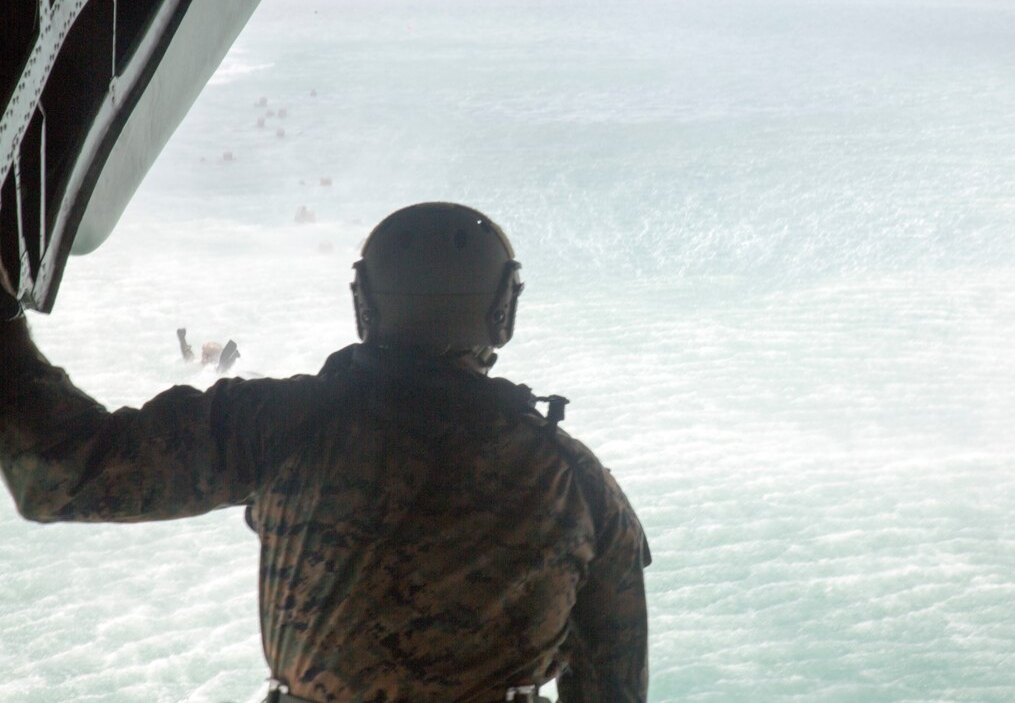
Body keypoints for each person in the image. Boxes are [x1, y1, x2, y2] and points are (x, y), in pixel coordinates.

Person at [0, 202, 650, 703]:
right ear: (502, 315)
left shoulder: (277, 424)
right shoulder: (581, 485)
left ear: (364, 306)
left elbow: (61, 474)